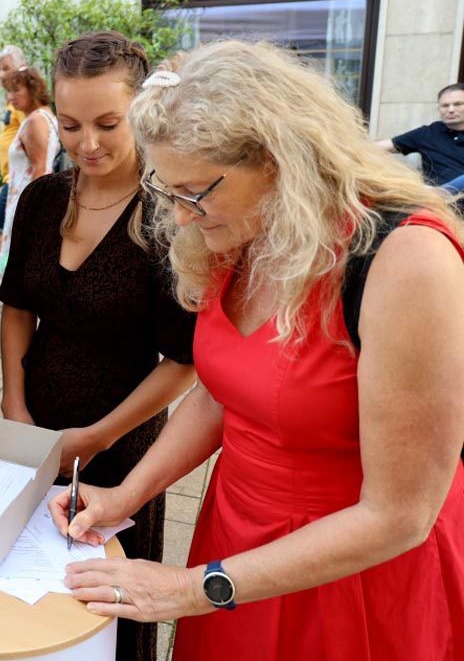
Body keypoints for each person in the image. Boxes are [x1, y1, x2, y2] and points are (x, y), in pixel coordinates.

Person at [55, 40, 464, 660]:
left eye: (196, 192)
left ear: (280, 161)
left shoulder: (405, 260)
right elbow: (223, 394)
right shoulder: (243, 231)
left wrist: (191, 588)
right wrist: (123, 497)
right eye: (170, 193)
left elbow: (400, 516)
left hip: (352, 572)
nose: (183, 218)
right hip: (237, 543)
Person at [0, 31, 197, 661]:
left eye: (108, 124)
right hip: (35, 431)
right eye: (72, 123)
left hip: (122, 448)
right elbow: (15, 307)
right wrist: (14, 405)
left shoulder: (169, 215)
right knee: (28, 603)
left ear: (139, 113)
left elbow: (185, 363)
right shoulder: (43, 198)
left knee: (108, 609)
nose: (87, 144)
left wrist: (97, 437)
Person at [0, 64, 58, 274]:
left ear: (33, 89)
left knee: (19, 268)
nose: (10, 96)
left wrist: (30, 214)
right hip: (24, 200)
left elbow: (40, 170)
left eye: (16, 90)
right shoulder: (44, 115)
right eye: (8, 91)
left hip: (26, 201)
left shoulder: (35, 121)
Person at [377, 82, 464, 185]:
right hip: (436, 199)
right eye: (445, 105)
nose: (450, 110)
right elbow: (381, 146)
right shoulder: (428, 133)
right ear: (439, 109)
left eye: (458, 104)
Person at [0, 45, 27, 255]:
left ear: (22, 67)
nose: (1, 74)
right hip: (12, 180)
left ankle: (12, 280)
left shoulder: (23, 100)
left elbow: (36, 134)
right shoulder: (14, 99)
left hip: (16, 182)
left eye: (6, 68)